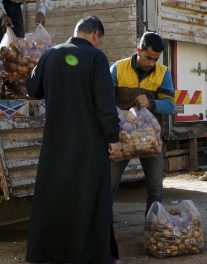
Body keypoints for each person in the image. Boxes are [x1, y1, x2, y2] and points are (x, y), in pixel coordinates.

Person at [25, 16, 122, 264]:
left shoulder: (50, 54)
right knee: (93, 198)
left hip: (56, 146)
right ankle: (97, 256)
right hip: (89, 145)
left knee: (55, 199)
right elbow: (105, 103)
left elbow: (33, 88)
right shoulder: (96, 57)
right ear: (95, 35)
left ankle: (46, 254)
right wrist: (113, 138)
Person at [110, 31, 175, 216]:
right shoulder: (118, 69)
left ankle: (153, 230)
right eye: (148, 58)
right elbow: (104, 101)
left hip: (150, 140)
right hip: (122, 139)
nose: (151, 63)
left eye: (155, 59)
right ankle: (103, 233)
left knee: (155, 189)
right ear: (139, 50)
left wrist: (152, 103)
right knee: (108, 186)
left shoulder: (163, 73)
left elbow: (170, 106)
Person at [0, 0, 51, 99]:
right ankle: (5, 86)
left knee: (17, 47)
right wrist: (2, 14)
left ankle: (11, 86)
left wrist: (41, 11)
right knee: (3, 47)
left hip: (15, 6)